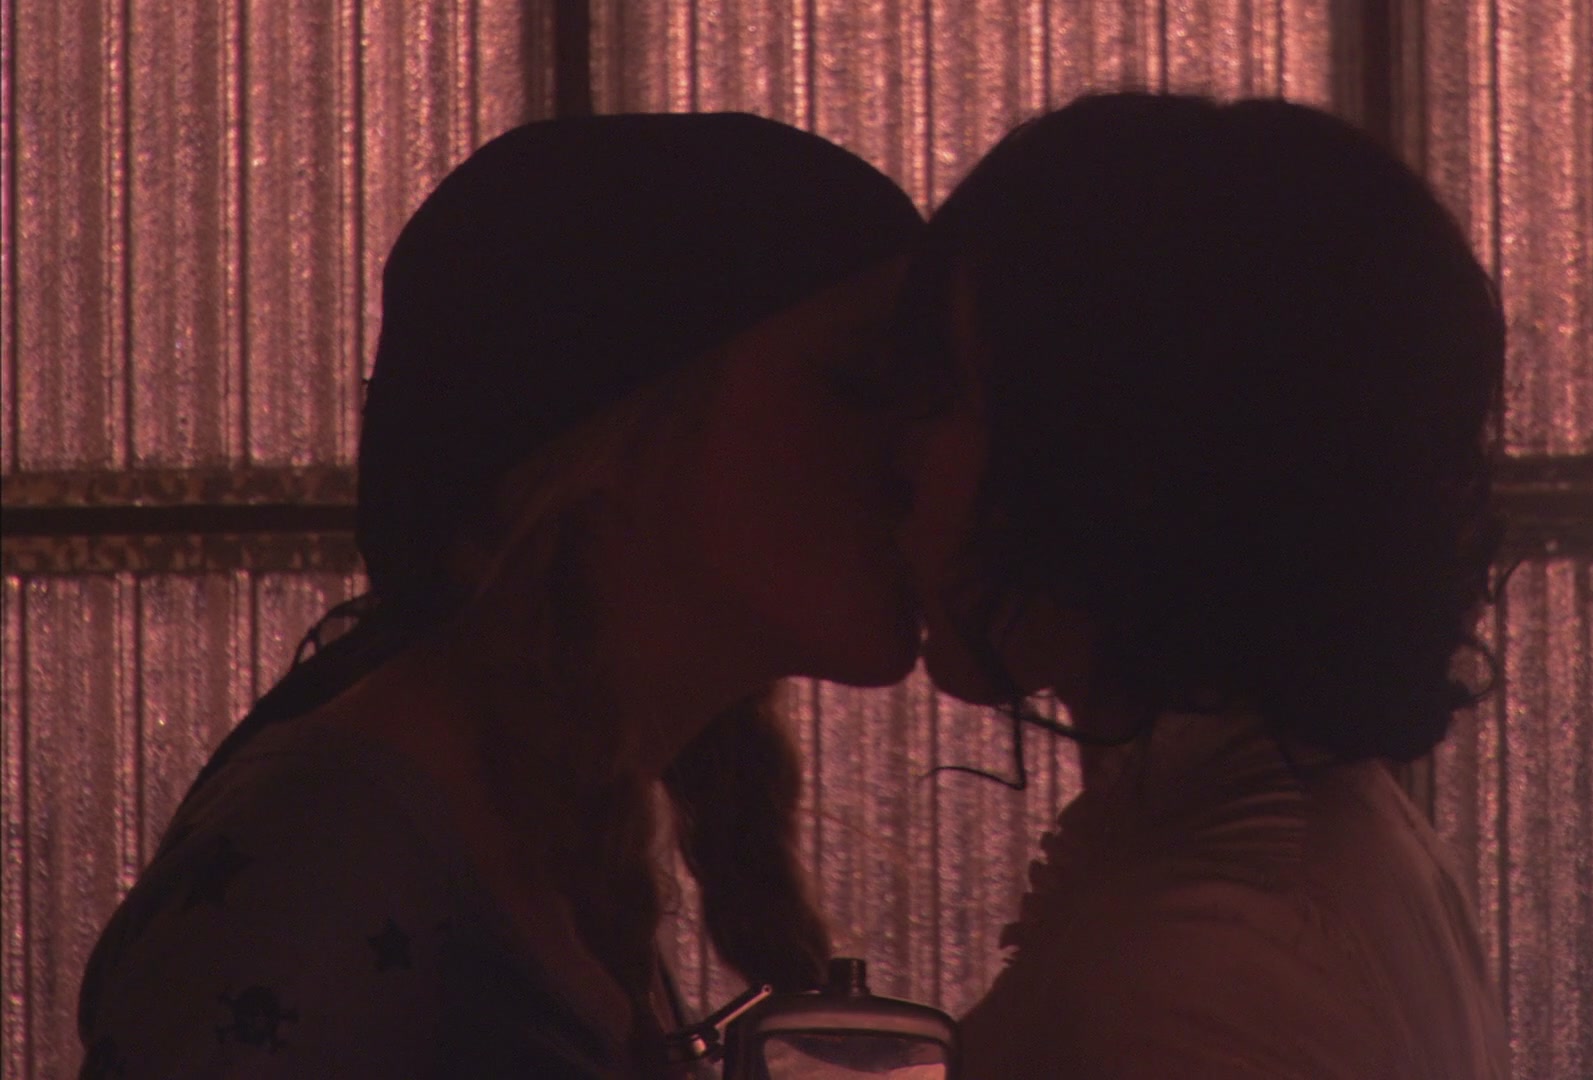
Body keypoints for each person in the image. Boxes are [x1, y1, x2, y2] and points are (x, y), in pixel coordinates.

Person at [78, 113, 927, 1078]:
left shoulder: (505, 824)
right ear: (616, 434)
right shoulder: (328, 862)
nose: (923, 456)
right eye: (862, 383)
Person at [895, 93, 1512, 1078]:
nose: (900, 463)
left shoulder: (1212, 960)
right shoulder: (1297, 829)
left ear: (1120, 453)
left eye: (944, 403)